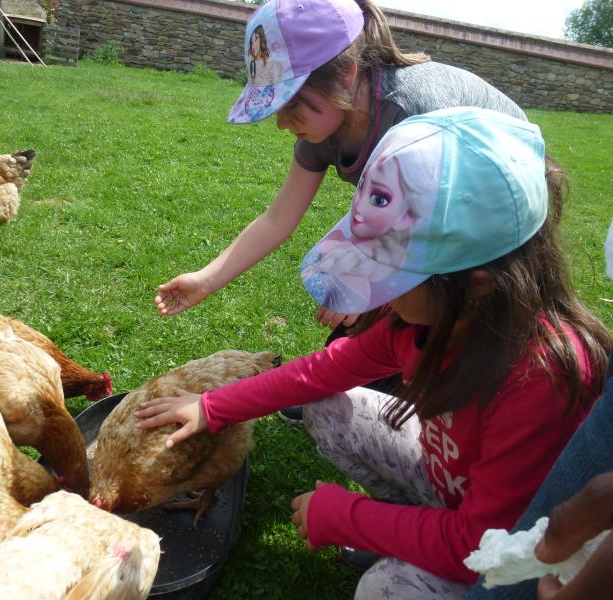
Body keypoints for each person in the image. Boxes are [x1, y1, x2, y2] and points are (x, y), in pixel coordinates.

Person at [138, 108, 613, 599]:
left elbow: (478, 545)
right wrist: (213, 406)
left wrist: (346, 516)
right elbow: (324, 372)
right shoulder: (422, 321)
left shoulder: (537, 378)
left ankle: (402, 539)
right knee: (324, 406)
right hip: (451, 484)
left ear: (476, 285)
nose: (379, 295)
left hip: (507, 552)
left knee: (385, 589)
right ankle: (405, 530)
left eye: (395, 277)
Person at [153, 0, 528, 423]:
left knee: (442, 325)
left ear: (346, 74)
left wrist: (369, 287)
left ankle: (449, 403)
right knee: (366, 323)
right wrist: (207, 279)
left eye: (291, 102)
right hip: (423, 222)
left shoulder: (412, 116)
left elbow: (436, 231)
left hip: (491, 215)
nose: (281, 123)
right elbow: (279, 218)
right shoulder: (326, 124)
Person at [464, 220, 613, 600]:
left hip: (471, 532)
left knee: (508, 581)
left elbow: (472, 534)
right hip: (464, 507)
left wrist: (345, 516)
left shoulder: (539, 373)